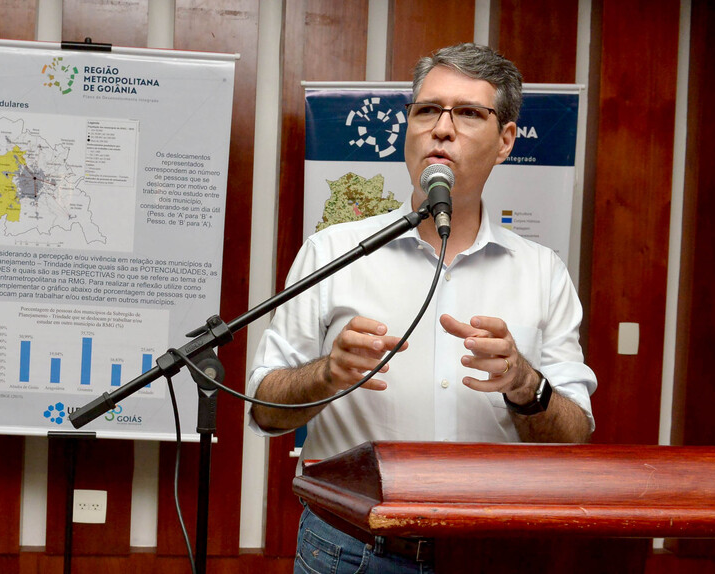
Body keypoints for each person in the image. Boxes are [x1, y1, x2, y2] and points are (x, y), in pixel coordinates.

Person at [247, 43, 597, 574]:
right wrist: (328, 374)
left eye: (469, 113)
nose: (441, 129)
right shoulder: (332, 253)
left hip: (491, 552)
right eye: (427, 110)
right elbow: (263, 411)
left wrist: (526, 384)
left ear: (505, 140)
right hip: (348, 550)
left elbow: (575, 437)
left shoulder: (543, 272)